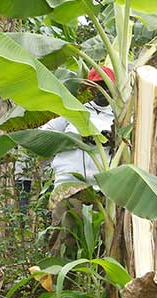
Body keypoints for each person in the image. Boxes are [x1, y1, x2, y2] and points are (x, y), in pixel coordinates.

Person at [44, 66, 115, 257]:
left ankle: (97, 286)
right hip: (70, 186)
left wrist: (114, 139)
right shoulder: (72, 110)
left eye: (107, 87)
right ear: (88, 88)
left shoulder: (117, 115)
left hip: (103, 190)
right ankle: (58, 284)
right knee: (65, 240)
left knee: (103, 244)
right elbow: (45, 134)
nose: (103, 92)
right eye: (98, 86)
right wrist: (78, 139)